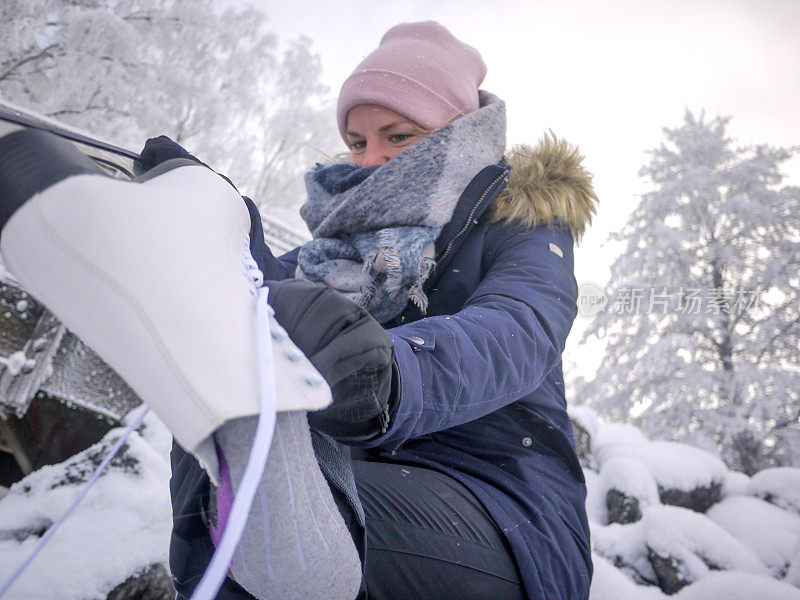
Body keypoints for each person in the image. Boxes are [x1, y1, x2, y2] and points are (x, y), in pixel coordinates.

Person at [0, 20, 596, 600]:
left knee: (285, 515)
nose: (368, 162)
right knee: (239, 348)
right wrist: (223, 231)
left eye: (398, 136)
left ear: (456, 133)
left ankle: (299, 550)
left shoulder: (523, 226)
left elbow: (518, 331)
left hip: (500, 507)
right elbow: (273, 293)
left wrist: (391, 376)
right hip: (345, 478)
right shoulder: (330, 250)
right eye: (358, 141)